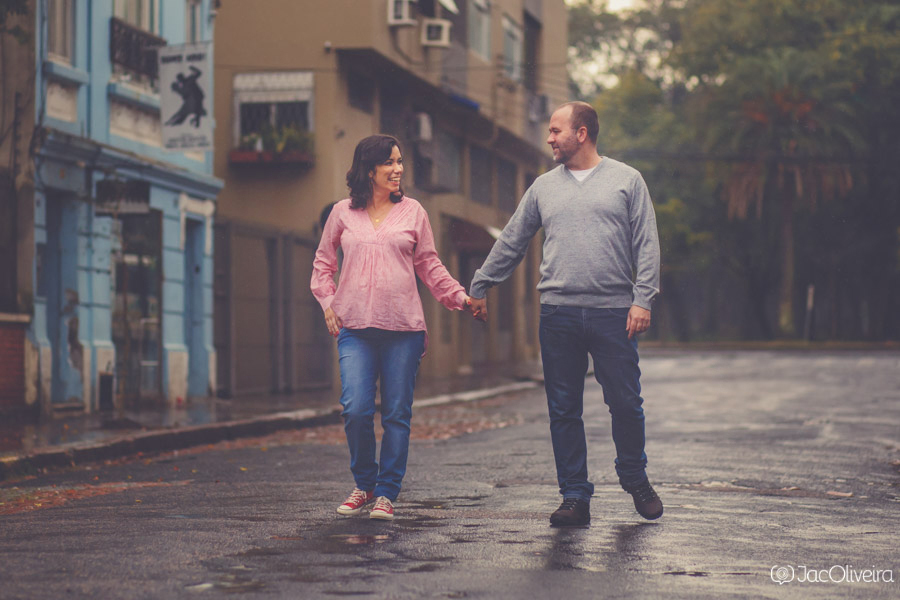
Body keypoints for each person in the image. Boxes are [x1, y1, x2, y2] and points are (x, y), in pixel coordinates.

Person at [467, 102, 663, 527]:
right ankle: (574, 495)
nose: (550, 138)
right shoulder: (542, 188)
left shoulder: (627, 180)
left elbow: (647, 243)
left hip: (614, 313)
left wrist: (643, 298)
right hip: (558, 314)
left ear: (583, 132)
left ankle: (634, 476)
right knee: (563, 409)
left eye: (556, 130)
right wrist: (481, 283)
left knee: (626, 404)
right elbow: (513, 240)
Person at [311, 134, 474, 521]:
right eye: (390, 163)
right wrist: (327, 301)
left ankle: (386, 492)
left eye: (400, 162)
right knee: (355, 409)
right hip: (355, 328)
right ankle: (364, 483)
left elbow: (429, 266)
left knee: (397, 414)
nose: (399, 169)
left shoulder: (414, 211)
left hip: (403, 329)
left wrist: (461, 298)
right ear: (369, 170)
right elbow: (322, 263)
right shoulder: (341, 213)